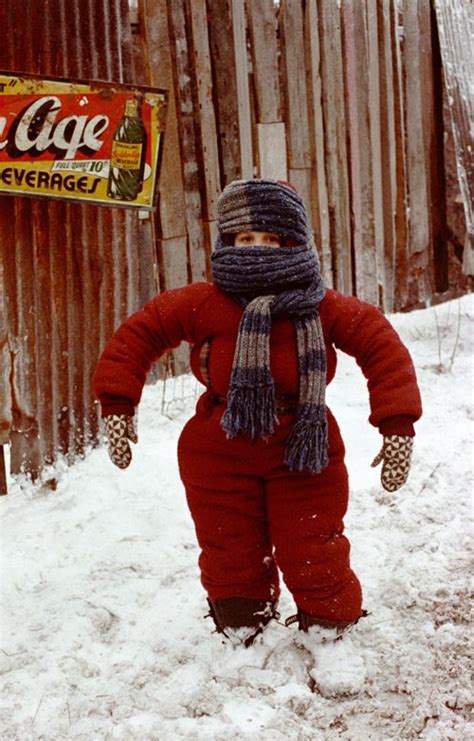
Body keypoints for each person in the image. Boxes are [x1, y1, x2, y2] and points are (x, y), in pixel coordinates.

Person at [92, 178, 422, 652]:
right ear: (227, 241)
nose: (258, 251)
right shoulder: (205, 301)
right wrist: (118, 404)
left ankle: (330, 634)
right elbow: (140, 334)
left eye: (271, 240)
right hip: (219, 447)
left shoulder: (321, 305)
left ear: (295, 242)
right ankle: (241, 625)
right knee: (228, 543)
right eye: (246, 239)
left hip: (302, 446)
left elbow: (381, 347)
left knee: (313, 542)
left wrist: (397, 426)